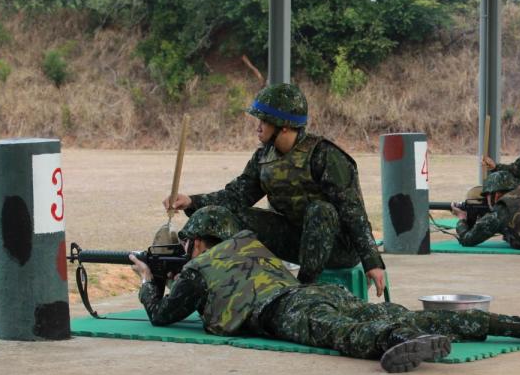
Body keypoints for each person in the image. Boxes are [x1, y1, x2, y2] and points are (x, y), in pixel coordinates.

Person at [130, 206, 520, 374]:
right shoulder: (250, 245)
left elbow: (163, 315)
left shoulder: (199, 266)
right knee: (404, 311)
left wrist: (149, 284)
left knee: (343, 333)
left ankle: (404, 343)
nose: (188, 249)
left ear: (200, 240)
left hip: (285, 311)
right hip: (317, 291)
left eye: (190, 243)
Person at [163, 83, 385, 294]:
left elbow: (353, 211)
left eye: (264, 121)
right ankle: (190, 269)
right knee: (232, 215)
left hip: (339, 249)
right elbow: (236, 196)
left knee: (320, 210)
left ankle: (303, 291)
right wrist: (192, 202)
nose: (258, 126)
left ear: (284, 125)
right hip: (297, 240)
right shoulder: (263, 157)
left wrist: (372, 262)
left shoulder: (324, 156)